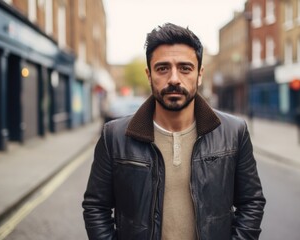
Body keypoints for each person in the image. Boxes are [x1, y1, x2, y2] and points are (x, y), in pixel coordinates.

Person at [82, 23, 266, 240]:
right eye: (162, 68)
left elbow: (251, 203)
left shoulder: (234, 132)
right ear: (149, 75)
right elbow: (96, 207)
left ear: (199, 74)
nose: (174, 79)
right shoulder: (114, 136)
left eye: (185, 68)